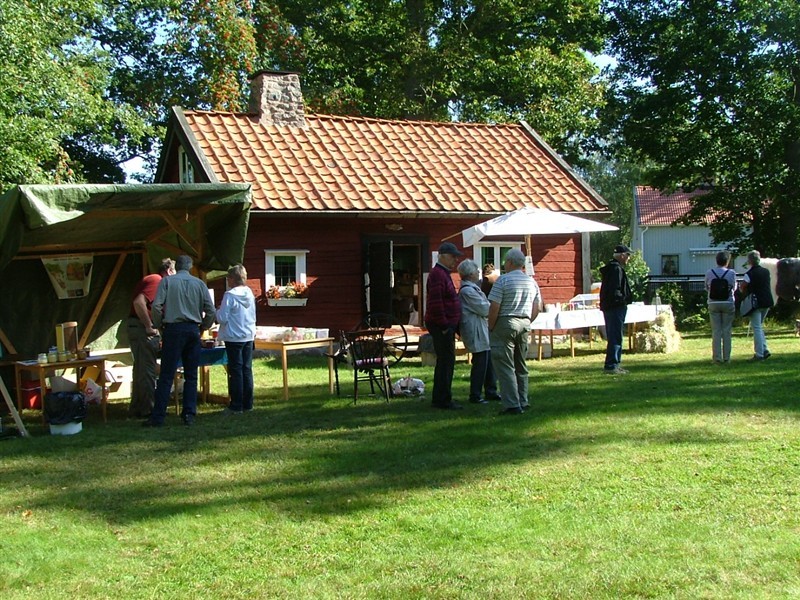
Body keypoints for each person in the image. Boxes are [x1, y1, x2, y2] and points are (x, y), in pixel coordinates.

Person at [143, 255, 216, 427]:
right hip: (192, 329)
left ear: (177, 267)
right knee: (191, 374)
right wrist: (203, 327)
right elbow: (211, 311)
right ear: (190, 267)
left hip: (173, 329)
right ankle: (189, 414)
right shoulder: (199, 284)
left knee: (166, 374)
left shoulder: (167, 282)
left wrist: (159, 325)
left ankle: (158, 417)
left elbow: (156, 306)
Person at [488, 249, 541, 415]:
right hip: (524, 323)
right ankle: (523, 400)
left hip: (505, 322)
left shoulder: (503, 280)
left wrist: (491, 326)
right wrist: (528, 321)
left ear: (510, 262)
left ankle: (512, 404)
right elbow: (537, 307)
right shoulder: (531, 282)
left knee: (505, 365)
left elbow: (494, 307)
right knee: (521, 364)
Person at [127, 258, 175, 418]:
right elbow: (139, 302)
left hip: (136, 327)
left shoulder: (156, 281)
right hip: (141, 329)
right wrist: (148, 326)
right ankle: (149, 409)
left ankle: (137, 407)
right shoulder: (157, 280)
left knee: (140, 368)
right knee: (148, 369)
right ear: (169, 271)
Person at [425, 241, 463, 410]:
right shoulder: (438, 274)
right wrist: (445, 325)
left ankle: (443, 397)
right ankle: (442, 400)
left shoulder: (442, 273)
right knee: (445, 362)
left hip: (445, 325)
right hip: (441, 326)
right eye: (453, 256)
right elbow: (436, 303)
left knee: (446, 362)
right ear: (442, 256)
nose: (455, 260)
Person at [457, 259, 501, 405]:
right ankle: (475, 395)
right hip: (475, 329)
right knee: (480, 362)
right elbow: (484, 309)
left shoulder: (473, 288)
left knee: (488, 361)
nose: (478, 273)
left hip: (481, 328)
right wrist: (491, 307)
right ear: (470, 274)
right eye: (476, 271)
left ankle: (491, 391)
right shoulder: (467, 291)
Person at [216, 264, 257, 414]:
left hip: (234, 337)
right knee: (246, 369)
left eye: (228, 278)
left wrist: (216, 311)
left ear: (233, 279)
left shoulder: (230, 295)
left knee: (235, 371)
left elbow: (222, 318)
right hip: (248, 335)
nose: (227, 281)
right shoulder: (249, 293)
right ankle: (248, 403)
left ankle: (236, 405)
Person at [599, 244, 633, 374]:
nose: (628, 258)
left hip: (611, 307)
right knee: (615, 336)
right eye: (628, 255)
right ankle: (611, 365)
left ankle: (615, 364)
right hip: (615, 307)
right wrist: (622, 300)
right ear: (622, 255)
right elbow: (615, 290)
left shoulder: (612, 268)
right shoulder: (616, 269)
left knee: (615, 335)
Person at [740, 249, 774, 360]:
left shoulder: (749, 274)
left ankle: (759, 354)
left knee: (756, 328)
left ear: (749, 261)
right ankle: (764, 349)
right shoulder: (766, 271)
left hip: (755, 303)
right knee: (759, 326)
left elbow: (742, 287)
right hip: (767, 301)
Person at [705, 251, 736, 364]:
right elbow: (734, 287)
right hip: (728, 302)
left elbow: (706, 287)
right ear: (727, 261)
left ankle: (717, 357)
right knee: (727, 330)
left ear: (716, 261)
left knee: (716, 331)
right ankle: (727, 358)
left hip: (713, 303)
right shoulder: (731, 273)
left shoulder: (709, 272)